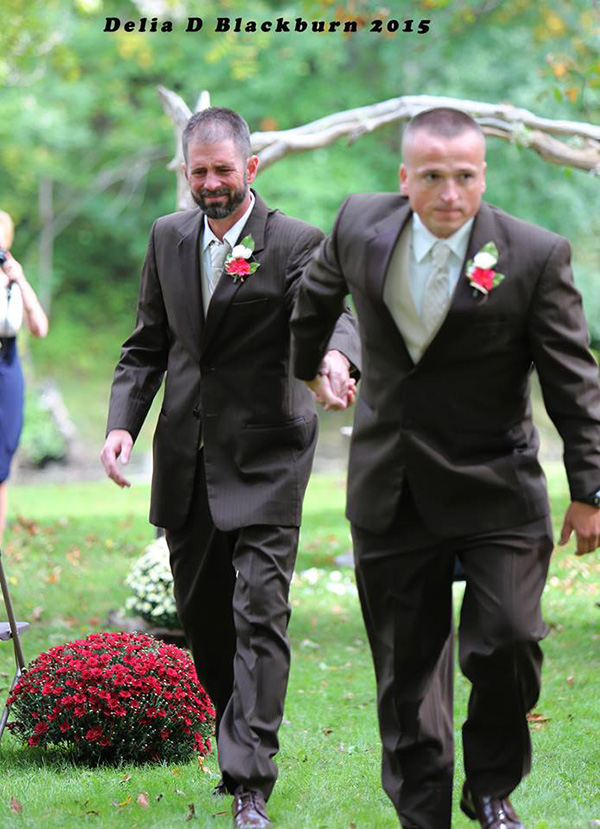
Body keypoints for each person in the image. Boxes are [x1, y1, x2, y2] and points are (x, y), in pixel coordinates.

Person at [291, 107, 600, 829]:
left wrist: (589, 488)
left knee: (511, 638)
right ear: (406, 178)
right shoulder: (358, 225)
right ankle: (422, 809)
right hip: (392, 484)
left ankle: (490, 786)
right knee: (406, 674)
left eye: (465, 176)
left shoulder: (533, 254)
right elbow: (315, 296)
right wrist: (318, 363)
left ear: (482, 175)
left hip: (499, 485)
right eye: (433, 176)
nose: (450, 192)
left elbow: (572, 382)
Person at [101, 107, 359, 829]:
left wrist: (336, 357)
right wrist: (124, 425)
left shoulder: (297, 242)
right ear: (186, 173)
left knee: (260, 614)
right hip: (186, 460)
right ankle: (233, 731)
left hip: (268, 456)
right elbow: (147, 344)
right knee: (207, 622)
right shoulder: (167, 236)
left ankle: (250, 780)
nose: (211, 183)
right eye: (199, 171)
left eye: (224, 169)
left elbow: (331, 311)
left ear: (252, 167)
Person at [0, 211, 49, 546]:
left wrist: (20, 280)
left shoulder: (13, 278)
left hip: (7, 364)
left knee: (3, 454)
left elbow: (40, 328)